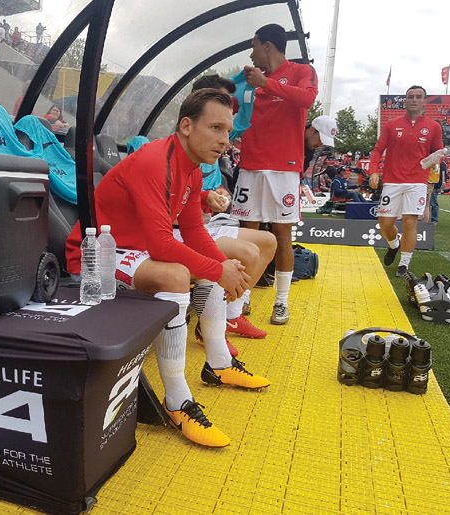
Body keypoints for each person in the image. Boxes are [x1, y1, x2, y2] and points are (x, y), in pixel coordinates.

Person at [65, 90, 269, 448]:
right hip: (96, 256)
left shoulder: (189, 168)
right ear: (186, 126)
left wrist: (223, 266)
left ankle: (218, 364)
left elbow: (192, 232)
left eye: (228, 131)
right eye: (216, 128)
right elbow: (162, 245)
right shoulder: (154, 160)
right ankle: (177, 401)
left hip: (135, 251)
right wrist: (219, 269)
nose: (224, 140)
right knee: (177, 273)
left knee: (214, 264)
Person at [229, 24, 318, 325]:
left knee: (282, 235)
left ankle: (281, 302)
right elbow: (226, 101)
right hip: (251, 166)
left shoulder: (301, 72)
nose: (251, 53)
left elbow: (306, 99)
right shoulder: (248, 79)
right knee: (247, 233)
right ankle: (242, 298)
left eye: (254, 46)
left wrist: (266, 83)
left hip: (284, 168)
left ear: (267, 46)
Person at [188, 74, 277, 338]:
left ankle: (231, 315)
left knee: (269, 241)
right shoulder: (180, 148)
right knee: (248, 253)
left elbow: (197, 192)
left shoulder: (206, 150)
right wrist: (203, 199)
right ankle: (211, 325)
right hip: (180, 231)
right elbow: (175, 211)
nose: (225, 139)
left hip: (202, 222)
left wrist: (214, 196)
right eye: (217, 127)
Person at [368, 85, 443, 276]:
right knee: (384, 223)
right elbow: (378, 150)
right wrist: (373, 171)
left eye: (419, 97)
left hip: (417, 182)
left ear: (424, 101)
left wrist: (433, 161)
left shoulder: (434, 127)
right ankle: (394, 245)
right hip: (392, 181)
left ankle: (404, 264)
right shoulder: (392, 124)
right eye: (410, 97)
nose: (414, 100)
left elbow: (439, 153)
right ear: (405, 100)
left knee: (410, 223)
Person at [429, 159, 446, 223]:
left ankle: (434, 219)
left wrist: (441, 186)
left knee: (433, 203)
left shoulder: (442, 163)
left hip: (434, 185)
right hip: (427, 184)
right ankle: (427, 218)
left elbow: (443, 175)